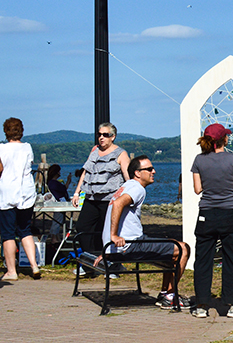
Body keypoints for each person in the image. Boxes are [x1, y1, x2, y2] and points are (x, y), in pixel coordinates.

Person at [95, 155, 191, 310]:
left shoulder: (126, 186)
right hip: (130, 245)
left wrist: (109, 246)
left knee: (171, 251)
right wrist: (114, 237)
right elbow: (118, 204)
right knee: (183, 248)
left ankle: (165, 294)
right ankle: (170, 295)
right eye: (149, 169)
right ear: (137, 173)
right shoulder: (137, 188)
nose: (154, 171)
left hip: (119, 246)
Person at [190, 123, 233, 319]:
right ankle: (232, 305)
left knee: (203, 260)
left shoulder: (199, 160)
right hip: (228, 213)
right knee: (232, 259)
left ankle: (201, 304)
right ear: (224, 139)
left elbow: (197, 189)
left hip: (206, 214)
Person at [71, 122, 130, 256]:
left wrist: (129, 196)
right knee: (82, 227)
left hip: (109, 200)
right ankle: (91, 257)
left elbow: (128, 178)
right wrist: (76, 192)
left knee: (106, 231)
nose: (102, 137)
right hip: (91, 198)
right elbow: (85, 172)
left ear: (113, 137)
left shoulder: (121, 154)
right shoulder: (94, 150)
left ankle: (110, 261)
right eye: (99, 134)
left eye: (105, 135)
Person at [0, 117, 41, 280]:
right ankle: (34, 265)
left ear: (5, 131)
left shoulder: (2, 149)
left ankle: (11, 271)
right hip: (26, 191)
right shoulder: (27, 148)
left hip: (7, 191)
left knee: (8, 233)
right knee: (25, 229)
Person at [46, 164, 69, 242]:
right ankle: (54, 237)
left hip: (59, 203)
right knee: (57, 220)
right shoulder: (54, 183)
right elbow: (64, 189)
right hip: (59, 204)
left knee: (58, 220)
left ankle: (56, 236)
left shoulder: (51, 183)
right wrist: (68, 181)